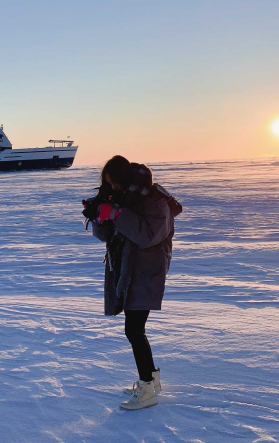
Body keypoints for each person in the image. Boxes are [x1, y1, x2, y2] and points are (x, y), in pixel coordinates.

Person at [88, 155, 177, 410]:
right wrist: (98, 215)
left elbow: (148, 235)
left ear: (124, 178)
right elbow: (108, 234)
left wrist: (117, 213)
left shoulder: (154, 199)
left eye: (115, 183)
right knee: (136, 329)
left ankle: (147, 388)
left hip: (146, 272)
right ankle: (151, 379)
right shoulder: (124, 197)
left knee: (133, 330)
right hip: (128, 271)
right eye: (109, 184)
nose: (113, 188)